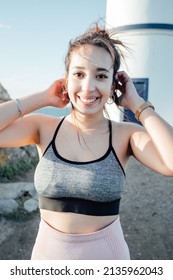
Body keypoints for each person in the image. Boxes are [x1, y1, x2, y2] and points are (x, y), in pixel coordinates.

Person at [0, 24, 173, 260]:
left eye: (101, 76)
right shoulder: (43, 127)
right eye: (79, 74)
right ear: (66, 80)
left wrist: (137, 104)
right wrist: (43, 97)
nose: (88, 87)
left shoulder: (127, 135)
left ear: (114, 85)